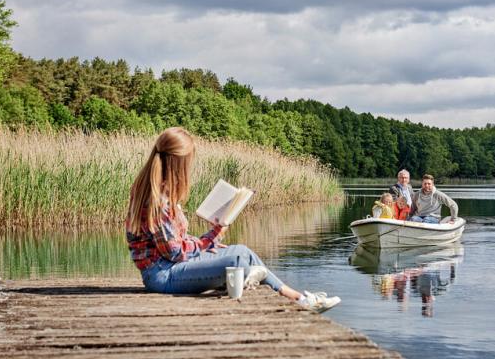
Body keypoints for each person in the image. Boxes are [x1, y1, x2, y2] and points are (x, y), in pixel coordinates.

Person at [125, 127, 341, 313]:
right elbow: (174, 252)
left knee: (242, 251)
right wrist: (210, 238)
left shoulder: (158, 191)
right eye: (189, 161)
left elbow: (174, 241)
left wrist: (206, 244)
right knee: (236, 261)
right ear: (178, 163)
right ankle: (248, 276)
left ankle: (298, 299)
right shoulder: (157, 199)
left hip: (171, 267)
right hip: (162, 276)